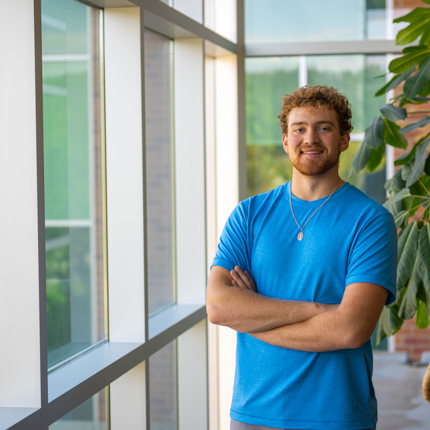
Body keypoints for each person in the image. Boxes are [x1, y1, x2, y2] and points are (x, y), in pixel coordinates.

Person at [206, 85, 397, 430]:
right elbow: (219, 306)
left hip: (337, 415)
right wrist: (315, 310)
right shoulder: (248, 215)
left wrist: (252, 317)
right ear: (285, 140)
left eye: (324, 127)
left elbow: (350, 329)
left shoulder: (370, 221)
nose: (310, 138)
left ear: (343, 140)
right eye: (299, 129)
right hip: (253, 413)